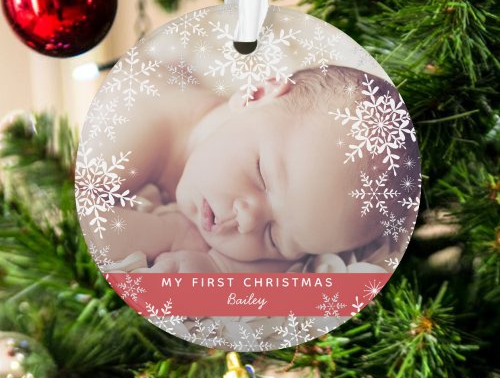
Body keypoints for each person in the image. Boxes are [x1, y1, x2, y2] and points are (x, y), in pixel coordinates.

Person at [79, 65, 416, 273]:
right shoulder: (143, 124)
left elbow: (285, 267)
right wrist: (174, 235)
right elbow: (80, 224)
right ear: (255, 94)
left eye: (274, 237)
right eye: (261, 175)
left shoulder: (288, 200)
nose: (247, 220)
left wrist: (217, 266)